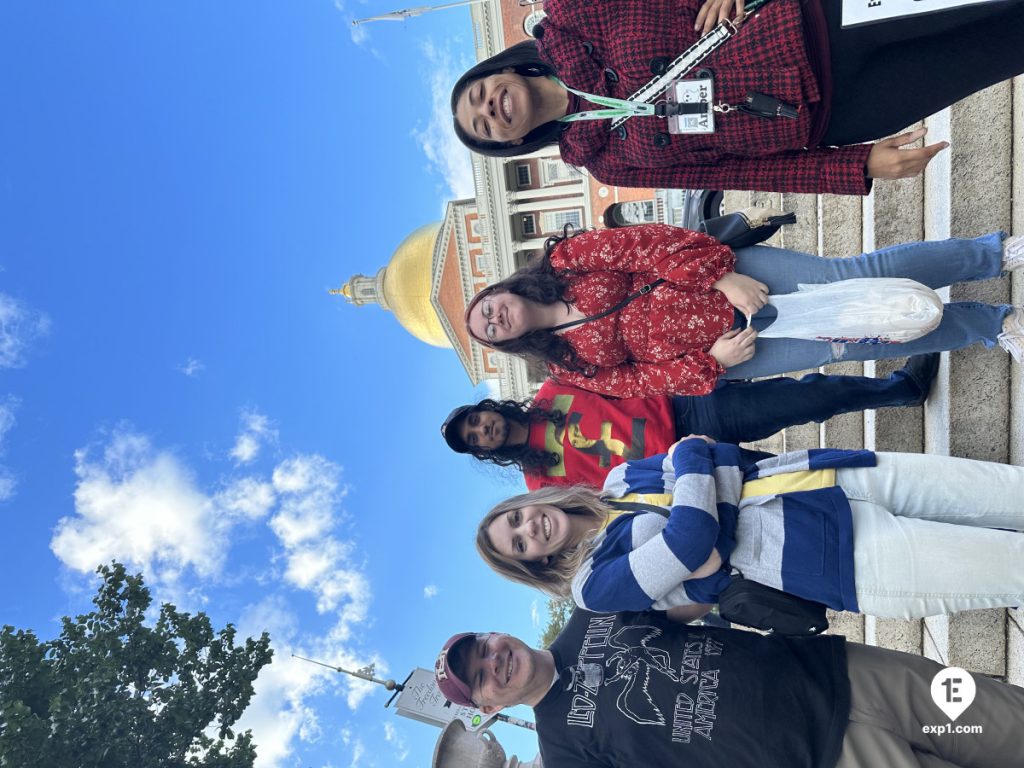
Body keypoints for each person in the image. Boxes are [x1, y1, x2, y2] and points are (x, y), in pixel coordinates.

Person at [450, 0, 1024, 195]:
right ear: (514, 141)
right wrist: (856, 165)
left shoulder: (573, 15)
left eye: (477, 95)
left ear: (495, 71)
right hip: (836, 114)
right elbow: (741, 171)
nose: (488, 109)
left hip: (815, 21)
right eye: (483, 126)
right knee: (1001, 48)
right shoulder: (606, 162)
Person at [477, 437, 1024, 619]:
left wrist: (710, 525)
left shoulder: (619, 478)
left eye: (516, 518)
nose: (531, 528)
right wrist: (707, 494)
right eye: (520, 544)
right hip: (840, 559)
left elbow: (706, 447)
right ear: (534, 563)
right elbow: (692, 532)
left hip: (829, 475)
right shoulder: (592, 588)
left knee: (1006, 490)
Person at [464, 224, 1024, 397]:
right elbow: (639, 383)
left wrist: (723, 278)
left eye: (487, 308)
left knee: (858, 280)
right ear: (503, 342)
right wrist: (710, 361)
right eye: (489, 330)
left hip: (734, 281)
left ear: (499, 290)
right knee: (864, 336)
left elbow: (646, 246)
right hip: (737, 351)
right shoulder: (565, 365)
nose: (495, 318)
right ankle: (992, 325)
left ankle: (993, 254)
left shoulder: (564, 261)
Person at [434, 614, 1024, 767]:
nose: (494, 661)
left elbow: (692, 589)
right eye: (481, 676)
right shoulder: (564, 755)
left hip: (845, 675)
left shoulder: (594, 606)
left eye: (484, 647)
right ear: (488, 708)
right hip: (824, 761)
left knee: (1008, 724)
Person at [440, 355, 938, 489]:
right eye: (476, 440)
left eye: (478, 421)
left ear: (488, 410)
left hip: (689, 410)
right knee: (798, 480)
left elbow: (627, 374)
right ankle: (895, 487)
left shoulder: (553, 389)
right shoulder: (539, 480)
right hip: (684, 470)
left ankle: (902, 390)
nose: (484, 430)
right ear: (486, 450)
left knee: (808, 397)